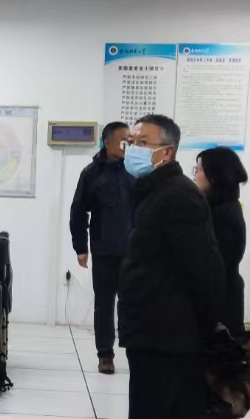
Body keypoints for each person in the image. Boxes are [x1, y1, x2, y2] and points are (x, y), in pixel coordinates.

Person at [118, 114, 224, 419]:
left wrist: (199, 330)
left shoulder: (179, 196)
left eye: (143, 143)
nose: (133, 149)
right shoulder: (152, 192)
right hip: (150, 333)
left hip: (169, 338)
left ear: (167, 151)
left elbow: (204, 272)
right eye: (131, 142)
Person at [69, 121, 133, 374]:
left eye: (130, 141)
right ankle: (105, 354)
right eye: (123, 140)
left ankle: (133, 349)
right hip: (104, 248)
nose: (128, 145)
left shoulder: (136, 170)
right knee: (104, 304)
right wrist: (80, 247)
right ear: (107, 143)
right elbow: (78, 211)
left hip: (134, 251)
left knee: (131, 303)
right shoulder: (91, 173)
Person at [194, 147, 248, 338]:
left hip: (221, 303)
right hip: (221, 296)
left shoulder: (221, 213)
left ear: (215, 176)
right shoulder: (222, 207)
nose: (194, 175)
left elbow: (215, 264)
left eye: (199, 169)